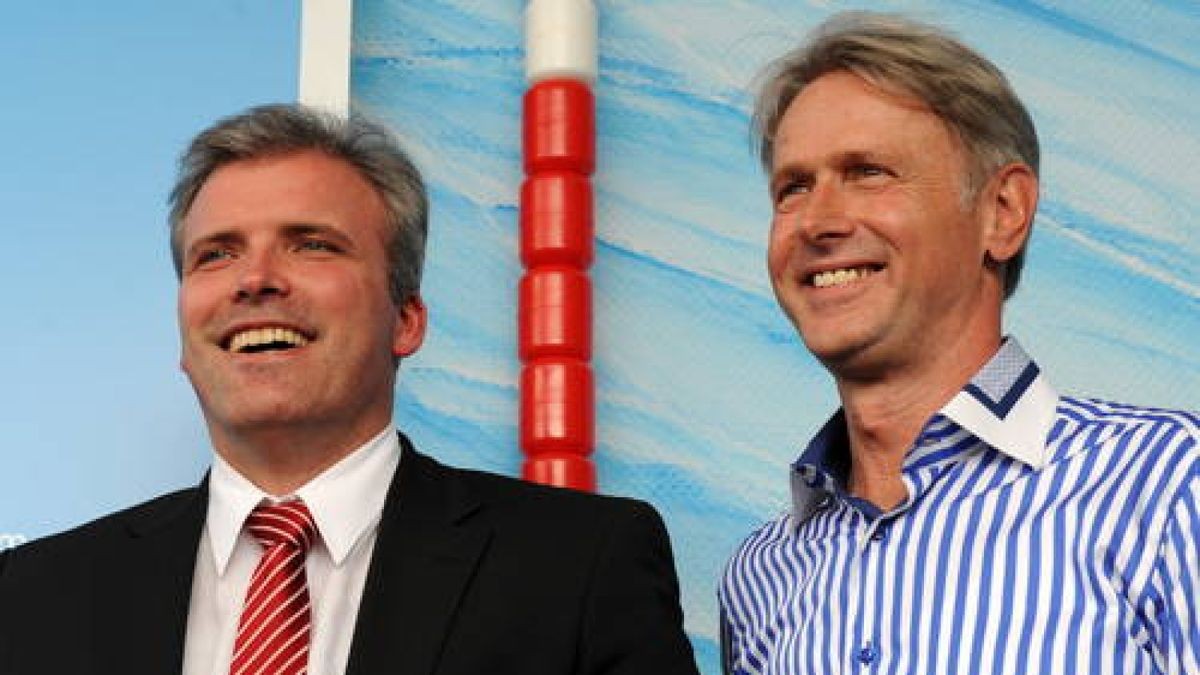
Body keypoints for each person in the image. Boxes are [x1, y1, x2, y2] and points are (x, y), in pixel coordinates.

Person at [0, 104, 699, 675]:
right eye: (217, 253)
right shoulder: (30, 594)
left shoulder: (578, 567)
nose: (255, 279)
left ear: (406, 318)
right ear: (184, 333)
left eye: (312, 244)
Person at [719, 11, 1199, 674]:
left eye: (868, 171)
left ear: (1002, 213)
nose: (819, 221)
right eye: (792, 187)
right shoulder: (758, 578)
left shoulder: (1168, 486)